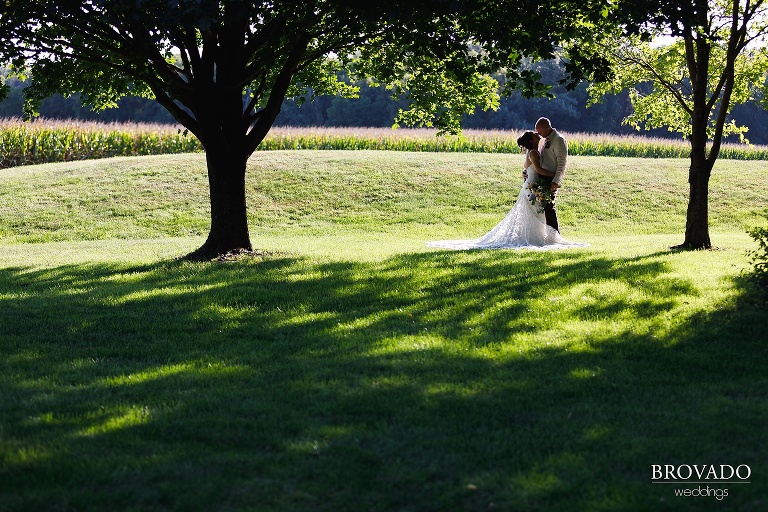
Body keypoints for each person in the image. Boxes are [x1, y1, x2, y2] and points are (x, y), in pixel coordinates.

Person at [426, 130, 587, 250]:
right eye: (534, 134)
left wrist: (527, 173)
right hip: (532, 188)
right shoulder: (534, 154)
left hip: (531, 187)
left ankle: (544, 237)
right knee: (536, 213)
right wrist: (555, 175)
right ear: (531, 139)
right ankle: (543, 238)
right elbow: (538, 169)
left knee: (537, 214)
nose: (538, 134)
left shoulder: (533, 152)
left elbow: (526, 169)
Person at [535, 117, 567, 232]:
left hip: (551, 178)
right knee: (542, 207)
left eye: (540, 131)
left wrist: (556, 181)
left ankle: (554, 235)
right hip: (541, 177)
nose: (538, 134)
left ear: (547, 127)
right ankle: (545, 234)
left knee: (549, 206)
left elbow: (562, 163)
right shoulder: (544, 140)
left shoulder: (558, 140)